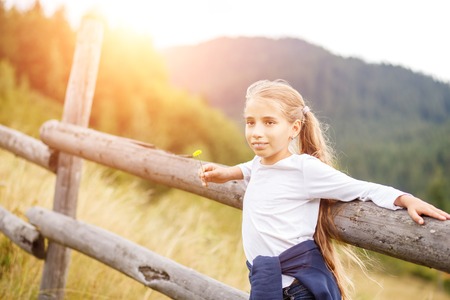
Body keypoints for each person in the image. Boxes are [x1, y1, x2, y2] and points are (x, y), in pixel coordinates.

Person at [198, 79, 450, 300]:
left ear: (294, 128)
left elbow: (362, 188)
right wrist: (228, 173)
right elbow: (252, 168)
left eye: (269, 122)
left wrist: (405, 198)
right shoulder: (262, 162)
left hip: (296, 289)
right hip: (269, 282)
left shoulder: (305, 169)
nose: (256, 133)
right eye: (250, 122)